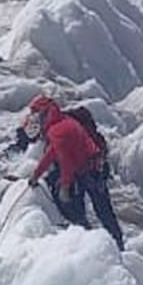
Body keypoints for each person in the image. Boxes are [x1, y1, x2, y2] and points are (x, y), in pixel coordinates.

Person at [24, 95, 124, 251]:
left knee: (97, 210)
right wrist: (36, 175)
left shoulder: (57, 130)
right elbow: (52, 153)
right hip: (90, 169)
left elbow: (66, 162)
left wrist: (64, 187)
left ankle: (109, 244)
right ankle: (108, 241)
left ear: (44, 115)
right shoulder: (60, 123)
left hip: (90, 172)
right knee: (103, 210)